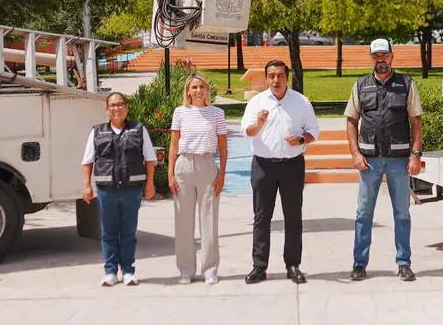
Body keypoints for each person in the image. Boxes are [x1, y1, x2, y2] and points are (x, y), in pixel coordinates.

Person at [346, 38, 424, 282]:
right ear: (370, 58)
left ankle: (404, 263)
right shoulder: (360, 86)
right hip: (369, 162)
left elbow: (417, 122)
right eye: (375, 56)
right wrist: (355, 154)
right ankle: (359, 264)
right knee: (363, 214)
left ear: (392, 56)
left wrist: (416, 155)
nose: (380, 59)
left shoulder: (406, 84)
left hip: (399, 161)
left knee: (402, 213)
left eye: (384, 55)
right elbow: (350, 120)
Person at [241, 60, 318, 284]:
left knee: (293, 217)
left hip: (292, 166)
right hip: (263, 166)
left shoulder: (301, 102)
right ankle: (259, 267)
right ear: (266, 79)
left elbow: (313, 130)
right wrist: (259, 123)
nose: (276, 80)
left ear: (287, 77)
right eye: (272, 76)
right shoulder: (256, 102)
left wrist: (301, 139)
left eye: (281, 75)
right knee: (262, 217)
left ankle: (292, 265)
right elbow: (248, 131)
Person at [82, 92, 156, 286]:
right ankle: (110, 272)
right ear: (107, 109)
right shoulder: (97, 132)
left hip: (132, 190)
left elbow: (149, 159)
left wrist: (150, 184)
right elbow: (88, 160)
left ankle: (129, 271)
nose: (117, 108)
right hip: (107, 191)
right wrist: (86, 186)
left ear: (127, 108)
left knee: (129, 233)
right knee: (108, 233)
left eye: (120, 104)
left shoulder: (139, 129)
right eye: (113, 105)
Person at [168, 72, 228, 285]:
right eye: (194, 87)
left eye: (202, 87)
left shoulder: (217, 114)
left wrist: (221, 174)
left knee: (209, 220)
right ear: (188, 91)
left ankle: (210, 269)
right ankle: (185, 270)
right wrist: (170, 173)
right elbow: (174, 144)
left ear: (207, 90)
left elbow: (222, 146)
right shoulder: (180, 112)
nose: (198, 91)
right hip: (183, 166)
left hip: (207, 165)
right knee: (183, 221)